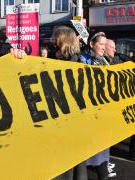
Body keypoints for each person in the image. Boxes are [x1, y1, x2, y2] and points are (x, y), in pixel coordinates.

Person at [51, 26, 87, 180]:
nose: (52, 40)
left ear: (63, 41)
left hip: (73, 126)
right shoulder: (52, 61)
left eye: (55, 38)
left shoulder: (78, 64)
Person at [79, 32, 116, 180]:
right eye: (101, 44)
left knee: (102, 154)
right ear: (92, 45)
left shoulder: (106, 61)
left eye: (104, 44)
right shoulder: (83, 60)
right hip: (90, 117)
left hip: (103, 116)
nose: (104, 47)